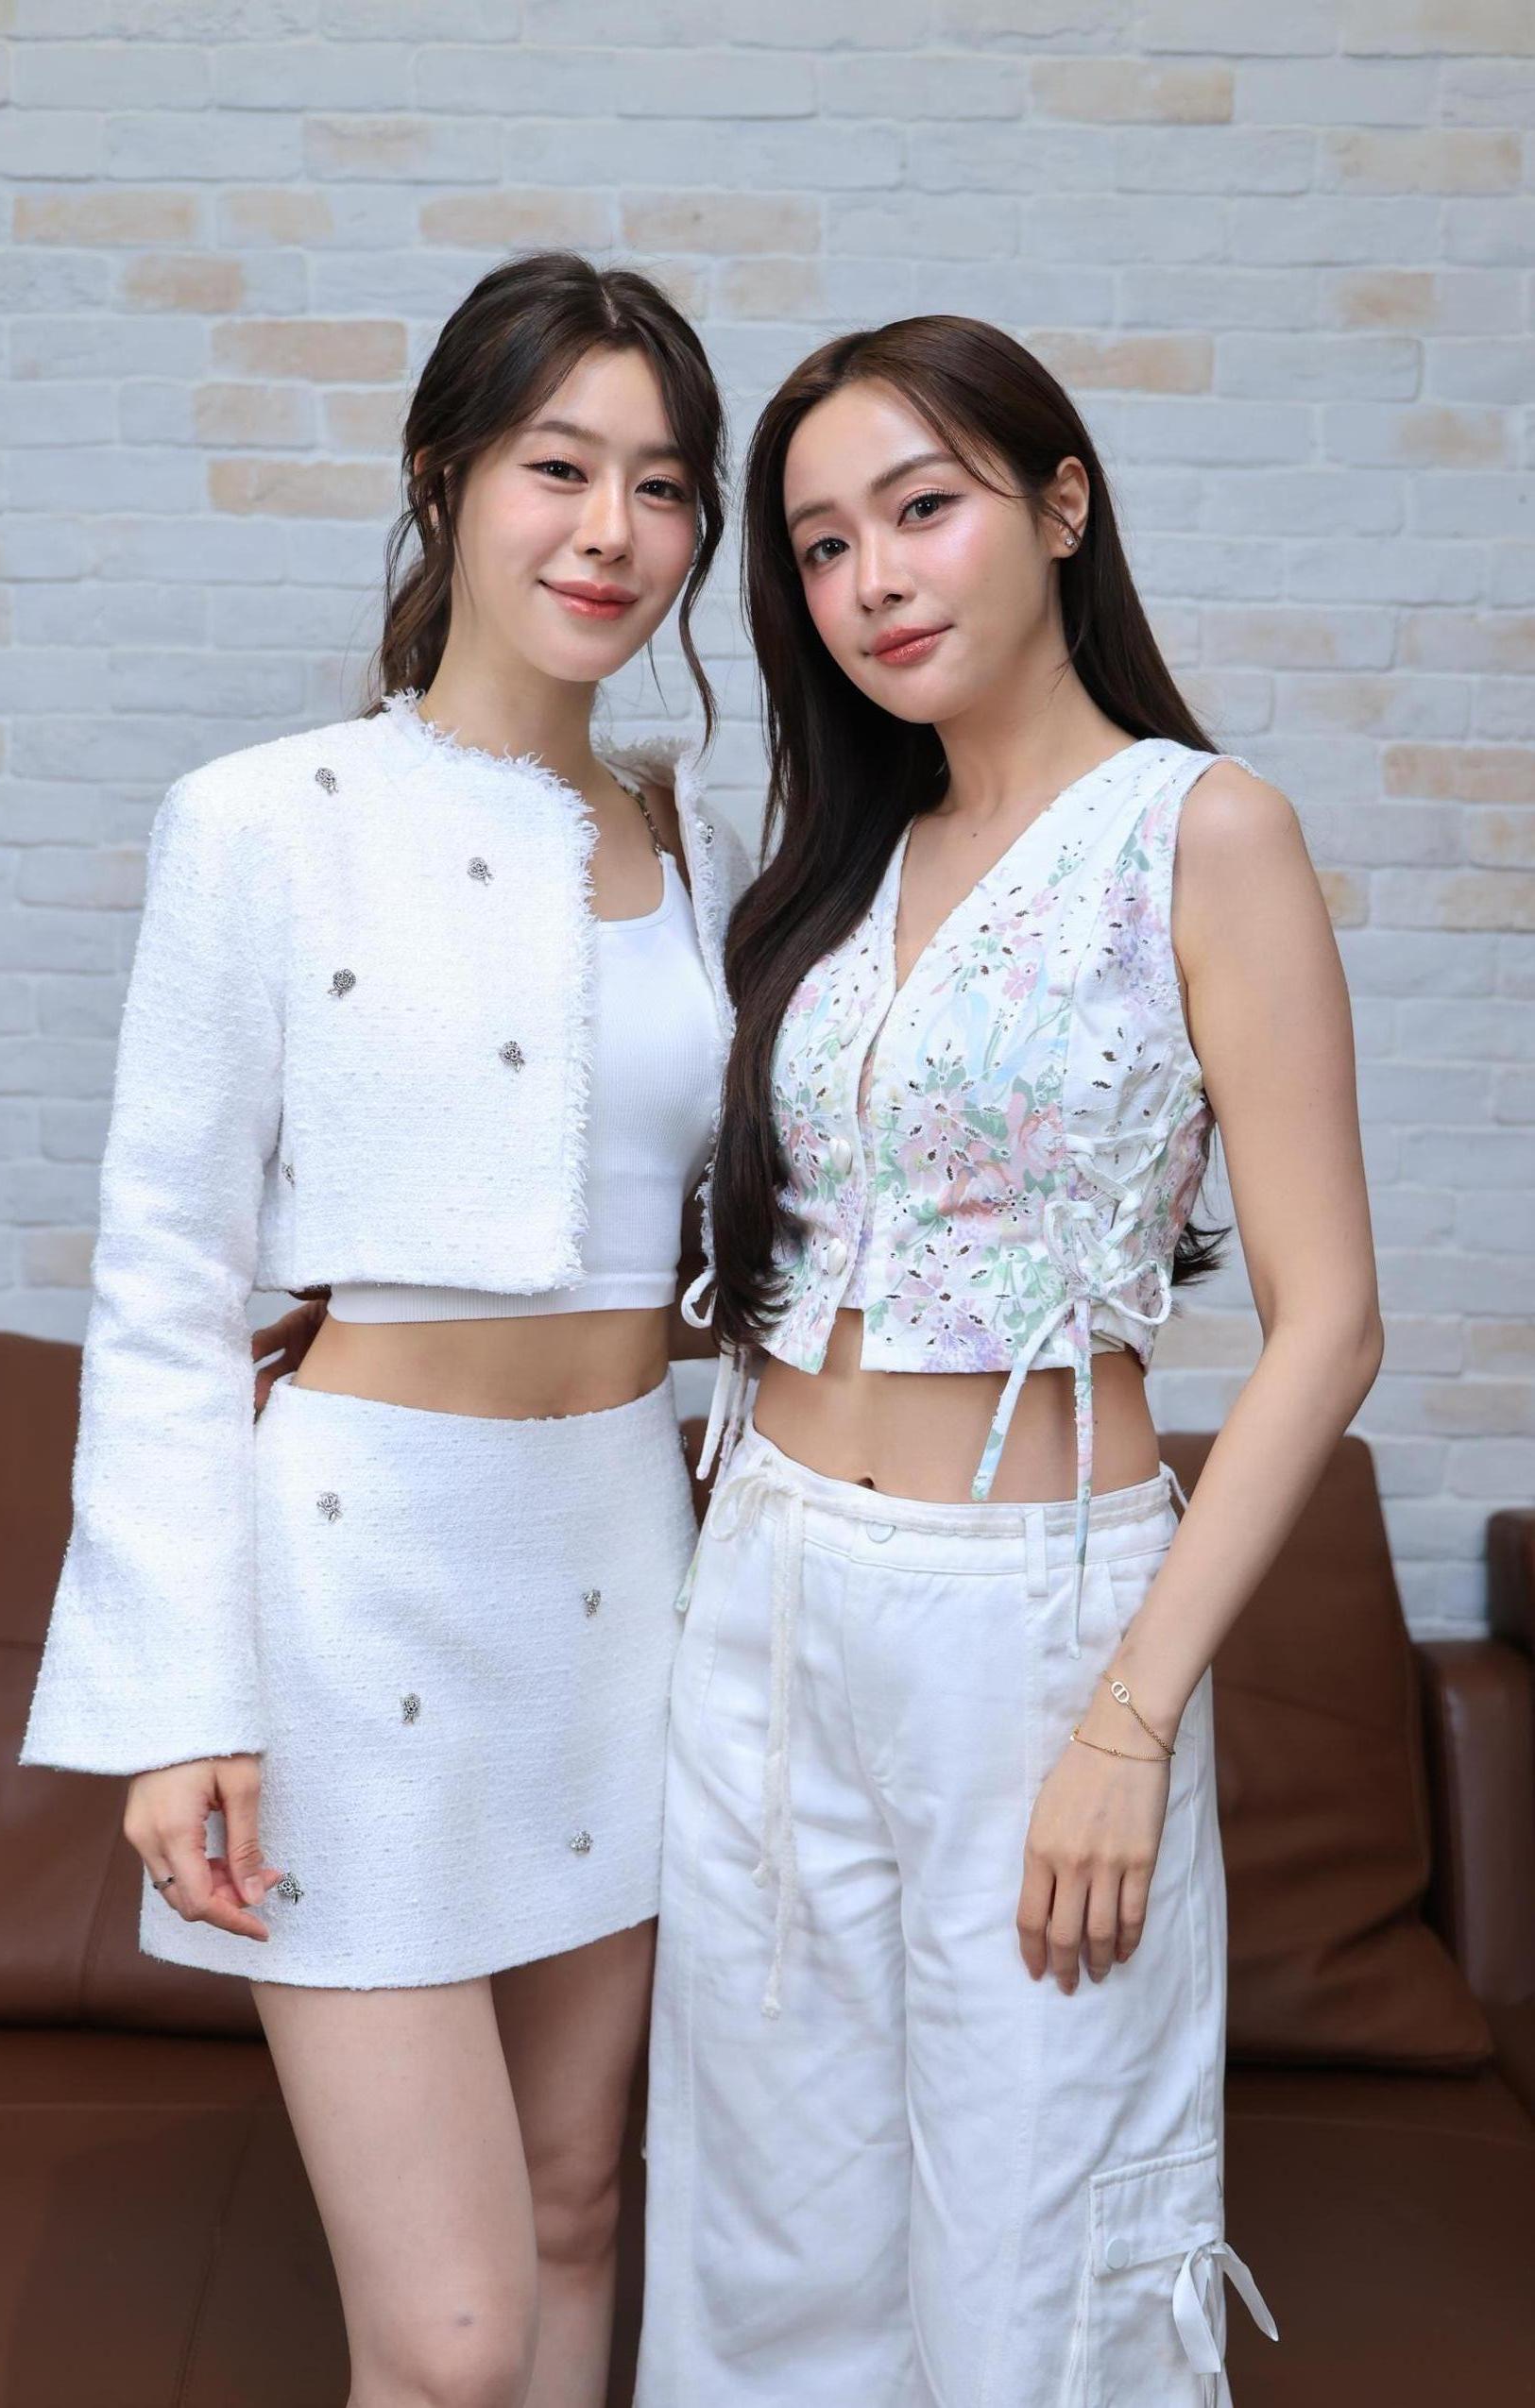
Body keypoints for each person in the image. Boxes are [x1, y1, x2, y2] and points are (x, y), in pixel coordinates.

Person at [17, 251, 751, 2408]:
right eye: (557, 467)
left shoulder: (707, 845)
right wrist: (181, 1698)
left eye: (662, 485)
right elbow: (163, 1274)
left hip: (626, 1580)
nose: (610, 532)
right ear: (441, 478)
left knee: (579, 2208)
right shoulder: (265, 820)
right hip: (356, 1589)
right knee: (449, 2338)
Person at [637, 316, 1382, 2405]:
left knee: (1042, 2261)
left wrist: (1130, 1720)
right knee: (764, 2246)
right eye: (819, 545)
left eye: (921, 510)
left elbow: (1331, 1321)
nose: (871, 579)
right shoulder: (833, 865)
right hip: (764, 1587)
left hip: (1032, 1622)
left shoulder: (1203, 831)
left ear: (1060, 508)